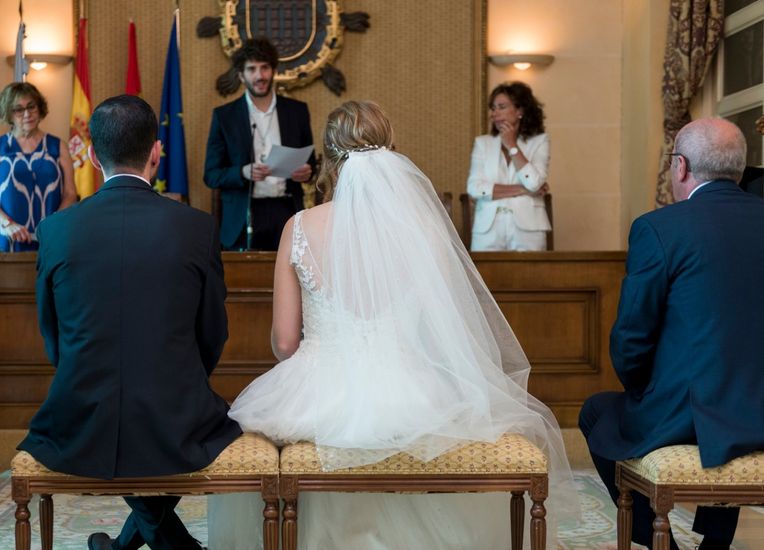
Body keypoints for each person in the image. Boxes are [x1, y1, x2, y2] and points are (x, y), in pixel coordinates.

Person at [208, 101, 577, 549]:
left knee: (254, 433)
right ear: (392, 150)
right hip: (413, 386)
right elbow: (438, 330)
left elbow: (285, 343)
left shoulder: (301, 226)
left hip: (320, 388)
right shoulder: (424, 233)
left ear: (330, 157)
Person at [18, 94, 241, 550]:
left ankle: (118, 547)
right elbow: (213, 332)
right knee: (209, 425)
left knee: (123, 428)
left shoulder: (55, 230)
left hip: (78, 415)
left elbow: (52, 335)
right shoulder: (197, 228)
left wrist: (87, 375)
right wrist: (174, 380)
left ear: (94, 157)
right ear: (156, 152)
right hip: (176, 416)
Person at [580, 118, 764, 550]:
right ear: (739, 168)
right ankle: (715, 544)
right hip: (757, 408)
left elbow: (631, 339)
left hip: (691, 412)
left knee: (595, 411)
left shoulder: (660, 228)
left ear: (680, 167)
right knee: (731, 399)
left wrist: (645, 391)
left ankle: (663, 544)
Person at [204, 37, 317, 251]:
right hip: (244, 215)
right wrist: (243, 172)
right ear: (241, 75)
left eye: (264, 68)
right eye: (252, 69)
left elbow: (310, 162)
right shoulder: (224, 116)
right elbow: (211, 175)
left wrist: (307, 171)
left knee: (289, 280)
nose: (259, 75)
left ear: (273, 70)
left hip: (287, 210)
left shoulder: (297, 111)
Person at [0, 82, 76, 252]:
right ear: (8, 113)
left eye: (31, 107)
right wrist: (7, 224)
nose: (27, 114)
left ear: (40, 108)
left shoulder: (58, 146)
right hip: (6, 237)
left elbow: (70, 194)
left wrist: (51, 226)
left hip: (49, 238)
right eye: (18, 109)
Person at [466, 81, 551, 251]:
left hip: (528, 230)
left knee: (530, 276)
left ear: (520, 110)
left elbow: (534, 183)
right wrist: (523, 191)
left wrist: (512, 145)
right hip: (487, 232)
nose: (494, 113)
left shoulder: (539, 142)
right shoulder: (483, 143)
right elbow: (474, 188)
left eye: (501, 107)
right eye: (493, 108)